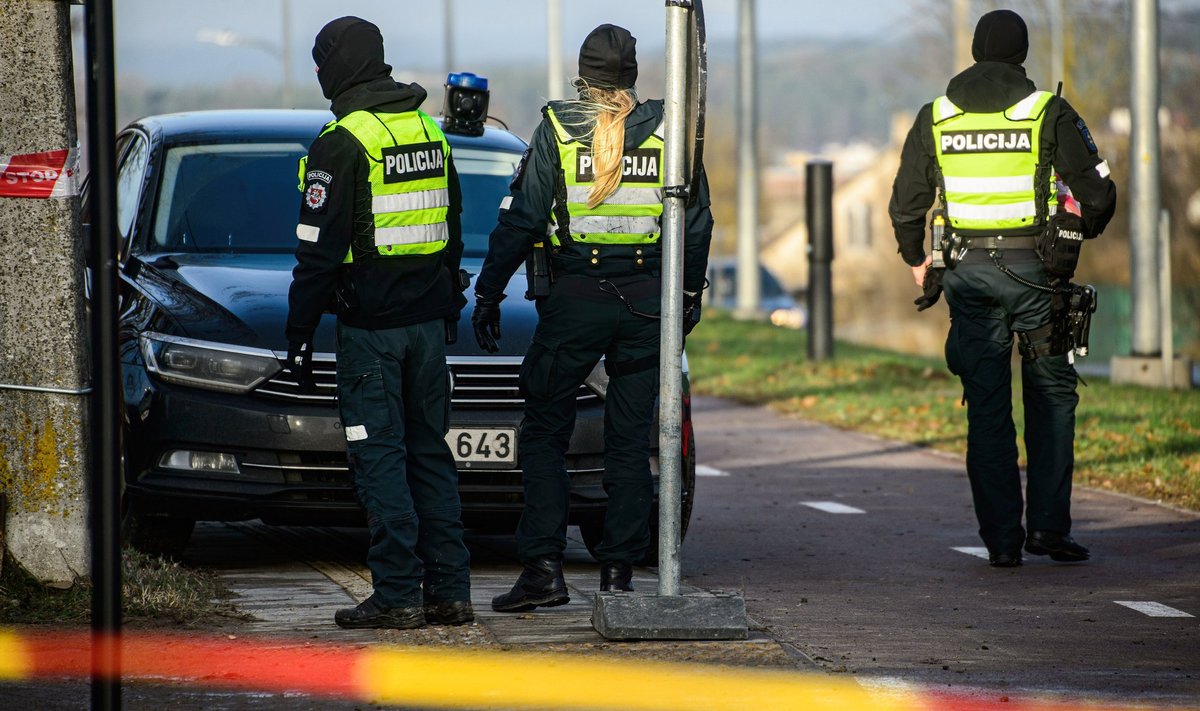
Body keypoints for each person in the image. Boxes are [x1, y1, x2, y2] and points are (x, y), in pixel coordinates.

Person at [472, 24, 714, 610]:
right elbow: (698, 224)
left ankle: (544, 572)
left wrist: (488, 293)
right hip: (646, 307)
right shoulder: (671, 132)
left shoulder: (557, 129)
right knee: (630, 445)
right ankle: (618, 577)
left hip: (574, 303)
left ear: (584, 78)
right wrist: (685, 301)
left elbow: (522, 221)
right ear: (632, 75)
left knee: (545, 436)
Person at [889, 10, 1116, 568]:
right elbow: (1100, 193)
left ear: (971, 50)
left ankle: (1001, 542)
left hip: (967, 276)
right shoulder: (1046, 112)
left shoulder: (935, 117)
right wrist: (1080, 228)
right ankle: (1047, 529)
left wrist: (917, 260)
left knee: (986, 408)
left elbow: (906, 205)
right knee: (1052, 394)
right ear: (1023, 54)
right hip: (1037, 274)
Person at [286, 16, 473, 627]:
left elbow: (316, 251)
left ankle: (397, 594)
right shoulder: (428, 131)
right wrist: (448, 308)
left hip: (370, 332)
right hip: (425, 329)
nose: (319, 76)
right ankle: (451, 592)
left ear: (338, 67)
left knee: (380, 457)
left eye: (321, 64)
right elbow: (451, 235)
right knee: (430, 455)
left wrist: (298, 332)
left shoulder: (343, 141)